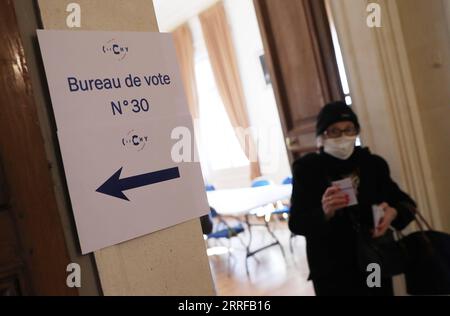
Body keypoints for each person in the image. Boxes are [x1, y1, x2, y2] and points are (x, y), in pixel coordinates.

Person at [288, 101, 416, 296]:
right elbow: (297, 223)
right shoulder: (308, 170)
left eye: (349, 129)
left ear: (357, 132)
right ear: (322, 136)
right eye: (334, 131)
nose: (343, 136)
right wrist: (324, 212)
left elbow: (405, 203)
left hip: (374, 260)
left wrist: (393, 213)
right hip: (331, 267)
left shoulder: (372, 165)